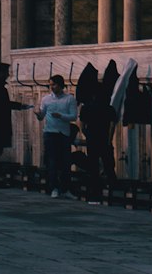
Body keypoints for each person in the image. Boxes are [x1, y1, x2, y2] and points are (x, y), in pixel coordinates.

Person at [0, 62, 30, 188]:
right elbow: (1, 105)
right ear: (0, 73)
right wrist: (19, 106)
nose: (8, 75)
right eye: (6, 72)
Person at [78, 62, 117, 204]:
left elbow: (81, 124)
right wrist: (109, 139)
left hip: (92, 140)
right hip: (104, 140)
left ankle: (94, 195)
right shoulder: (109, 108)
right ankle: (113, 191)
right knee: (108, 165)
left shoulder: (87, 107)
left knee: (93, 167)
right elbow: (112, 125)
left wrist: (86, 134)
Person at [35, 74, 78, 198]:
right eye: (50, 85)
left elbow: (74, 116)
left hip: (63, 134)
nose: (52, 87)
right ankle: (54, 187)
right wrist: (38, 114)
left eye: (54, 84)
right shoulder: (46, 99)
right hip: (50, 133)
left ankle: (65, 189)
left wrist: (61, 116)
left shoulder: (69, 99)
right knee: (52, 162)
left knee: (66, 162)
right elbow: (42, 116)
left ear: (60, 85)